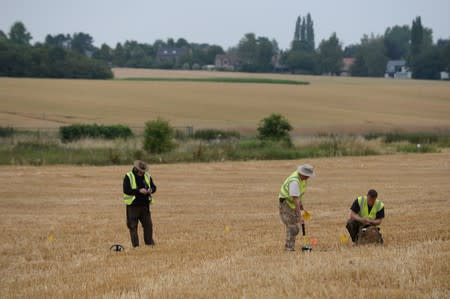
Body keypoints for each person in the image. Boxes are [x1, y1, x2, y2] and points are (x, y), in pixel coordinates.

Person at [278, 164, 315, 251]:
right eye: (307, 176)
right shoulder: (294, 182)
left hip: (293, 203)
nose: (308, 178)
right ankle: (289, 248)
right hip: (286, 203)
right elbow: (295, 199)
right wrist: (300, 216)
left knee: (294, 226)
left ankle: (290, 246)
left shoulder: (302, 179)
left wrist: (302, 209)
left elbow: (299, 196)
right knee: (293, 227)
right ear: (302, 173)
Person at [123, 160, 157, 247]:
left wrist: (151, 190)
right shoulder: (128, 176)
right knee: (133, 226)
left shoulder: (147, 176)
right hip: (133, 206)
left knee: (148, 225)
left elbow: (154, 187)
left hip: (145, 205)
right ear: (136, 169)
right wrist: (139, 191)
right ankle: (136, 246)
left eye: (143, 171)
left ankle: (149, 243)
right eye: (140, 171)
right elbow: (126, 190)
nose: (142, 173)